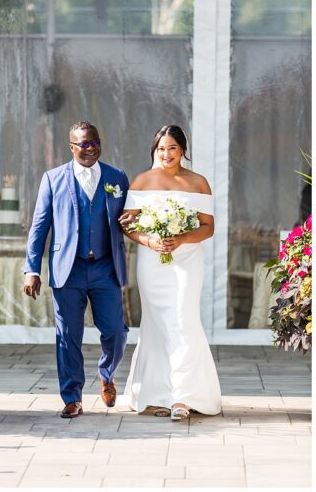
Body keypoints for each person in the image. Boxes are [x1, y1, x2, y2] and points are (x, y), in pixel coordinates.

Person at [23, 121, 131, 418]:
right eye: (83, 144)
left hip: (106, 268)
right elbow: (39, 227)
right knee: (67, 336)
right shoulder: (53, 178)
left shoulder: (117, 177)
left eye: (94, 141)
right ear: (71, 147)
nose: (90, 148)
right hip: (67, 269)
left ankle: (107, 374)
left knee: (116, 332)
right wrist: (31, 269)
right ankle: (72, 397)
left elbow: (131, 218)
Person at [117, 124, 221, 421]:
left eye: (172, 148)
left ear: (182, 150)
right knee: (157, 322)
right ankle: (158, 393)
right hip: (152, 262)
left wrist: (181, 239)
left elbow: (208, 227)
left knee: (182, 318)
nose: (166, 154)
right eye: (161, 149)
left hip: (187, 261)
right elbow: (128, 224)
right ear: (155, 150)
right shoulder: (142, 180)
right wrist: (151, 240)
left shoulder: (198, 182)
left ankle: (184, 396)